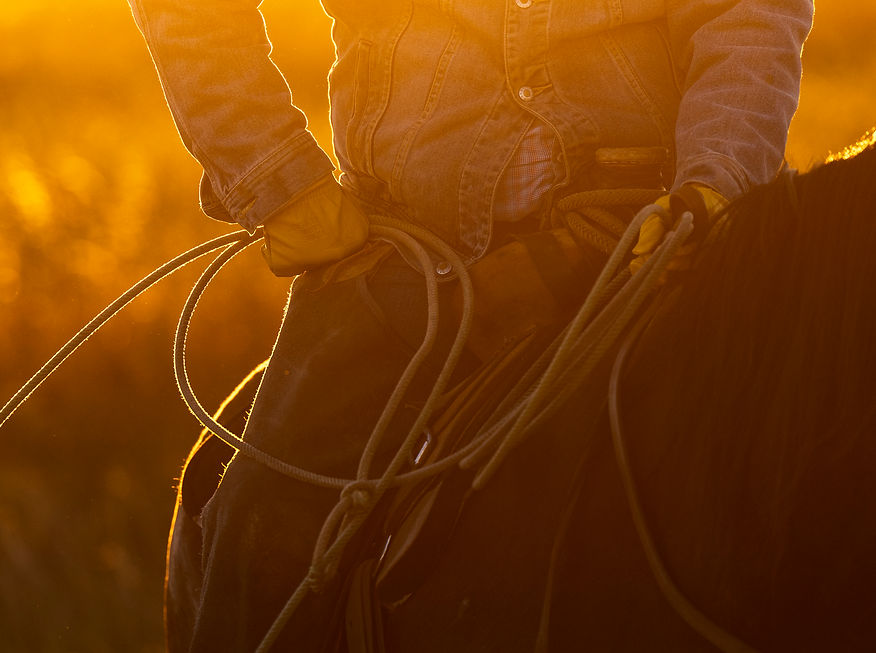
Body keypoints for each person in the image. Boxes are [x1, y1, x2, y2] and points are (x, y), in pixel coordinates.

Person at [127, 1, 813, 650]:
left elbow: (750, 10)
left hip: (650, 240)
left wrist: (717, 182)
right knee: (259, 538)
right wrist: (275, 178)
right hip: (402, 260)